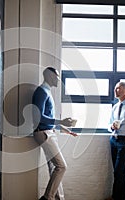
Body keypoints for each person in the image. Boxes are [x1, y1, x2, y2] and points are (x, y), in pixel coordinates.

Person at [32, 67, 78, 200]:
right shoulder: (41, 92)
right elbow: (38, 117)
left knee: (54, 168)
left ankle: (59, 198)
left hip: (48, 132)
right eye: (57, 77)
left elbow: (48, 118)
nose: (59, 79)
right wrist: (61, 121)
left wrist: (64, 129)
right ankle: (48, 198)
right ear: (51, 76)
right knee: (61, 166)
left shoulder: (47, 91)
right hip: (43, 133)